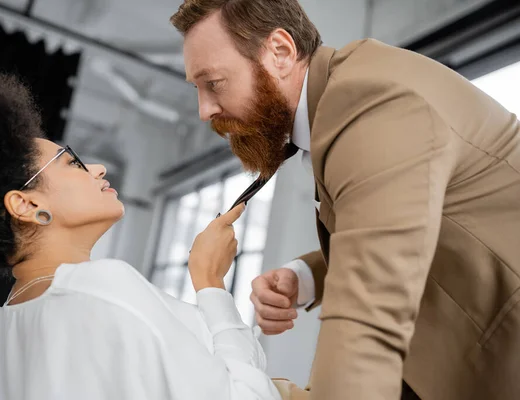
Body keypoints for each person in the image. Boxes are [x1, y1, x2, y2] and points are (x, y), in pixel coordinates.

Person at [170, 1, 520, 399]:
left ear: (281, 52)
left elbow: (365, 321)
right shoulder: (341, 98)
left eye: (213, 82)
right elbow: (404, 224)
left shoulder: (373, 104)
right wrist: (306, 275)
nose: (204, 110)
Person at [0, 69, 284, 400]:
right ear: (26, 205)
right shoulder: (101, 286)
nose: (97, 168)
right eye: (71, 162)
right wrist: (211, 282)